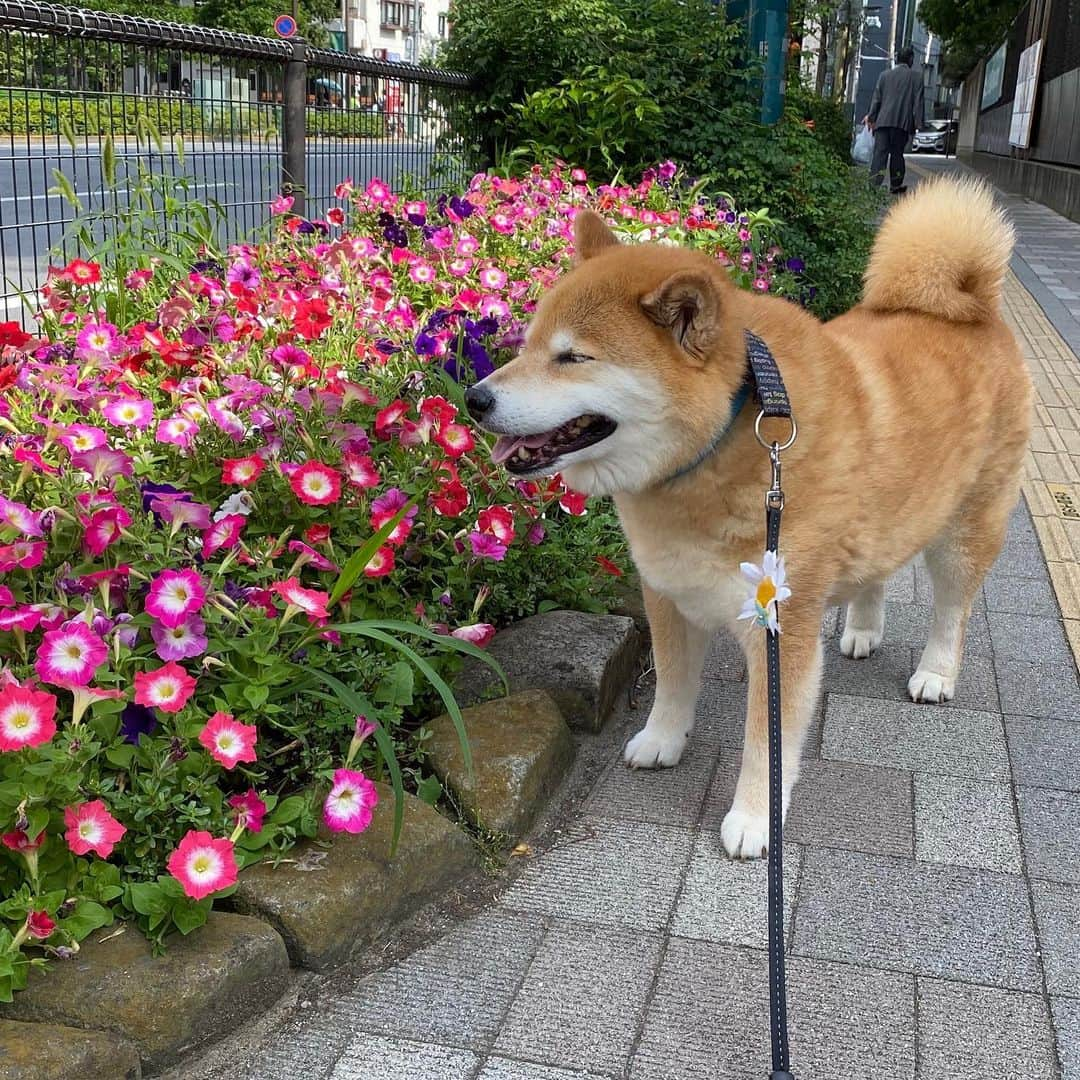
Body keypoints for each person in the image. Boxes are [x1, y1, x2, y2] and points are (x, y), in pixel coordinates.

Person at [865, 45, 925, 194]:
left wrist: (871, 117)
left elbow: (876, 99)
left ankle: (873, 185)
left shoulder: (884, 76)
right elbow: (918, 103)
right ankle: (896, 185)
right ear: (911, 59)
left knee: (879, 155)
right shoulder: (917, 78)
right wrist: (919, 124)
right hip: (902, 123)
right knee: (897, 154)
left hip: (882, 122)